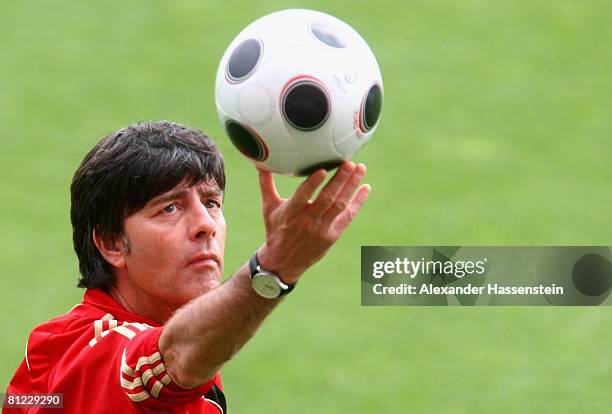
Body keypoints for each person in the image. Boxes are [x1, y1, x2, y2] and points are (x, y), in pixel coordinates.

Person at [4, 121, 370, 413]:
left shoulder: (188, 338)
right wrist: (273, 268)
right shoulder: (89, 349)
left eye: (211, 203)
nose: (205, 224)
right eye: (170, 208)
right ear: (113, 243)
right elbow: (166, 362)